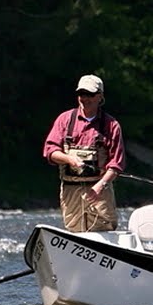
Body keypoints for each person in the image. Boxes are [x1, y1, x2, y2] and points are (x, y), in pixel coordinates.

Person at [43, 74, 126, 232]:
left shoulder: (111, 125)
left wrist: (100, 186)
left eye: (90, 94)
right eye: (81, 94)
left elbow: (116, 164)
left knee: (104, 232)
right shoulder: (65, 119)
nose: (84, 98)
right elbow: (50, 151)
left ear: (100, 96)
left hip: (100, 190)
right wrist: (69, 159)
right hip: (70, 190)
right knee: (75, 233)